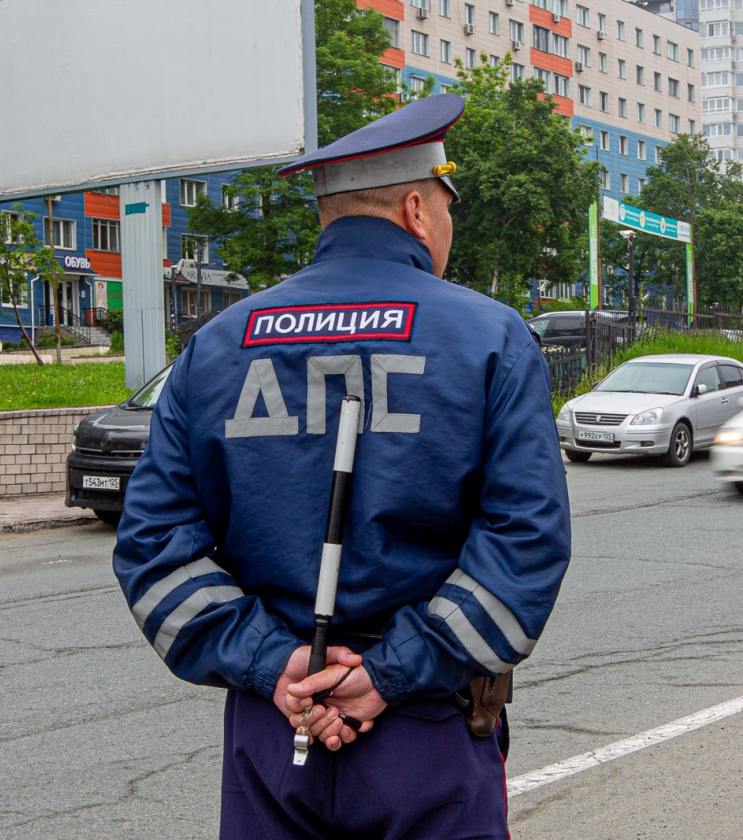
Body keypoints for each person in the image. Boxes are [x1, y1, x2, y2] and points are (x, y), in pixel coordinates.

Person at [113, 94, 571, 839]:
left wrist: (273, 663)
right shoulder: (490, 337)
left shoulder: (218, 343)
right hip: (426, 733)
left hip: (274, 735)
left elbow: (151, 547)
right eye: (447, 208)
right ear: (417, 210)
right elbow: (527, 541)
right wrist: (389, 674)